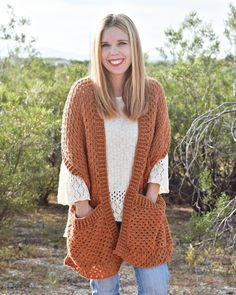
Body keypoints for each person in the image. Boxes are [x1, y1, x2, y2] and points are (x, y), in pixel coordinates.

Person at [57, 13, 172, 295]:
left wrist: (150, 198)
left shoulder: (152, 92)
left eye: (122, 43)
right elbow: (71, 155)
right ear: (97, 50)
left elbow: (160, 151)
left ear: (134, 46)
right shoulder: (83, 93)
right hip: (97, 212)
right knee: (105, 291)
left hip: (141, 209)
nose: (114, 52)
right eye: (105, 45)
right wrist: (84, 209)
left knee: (156, 288)